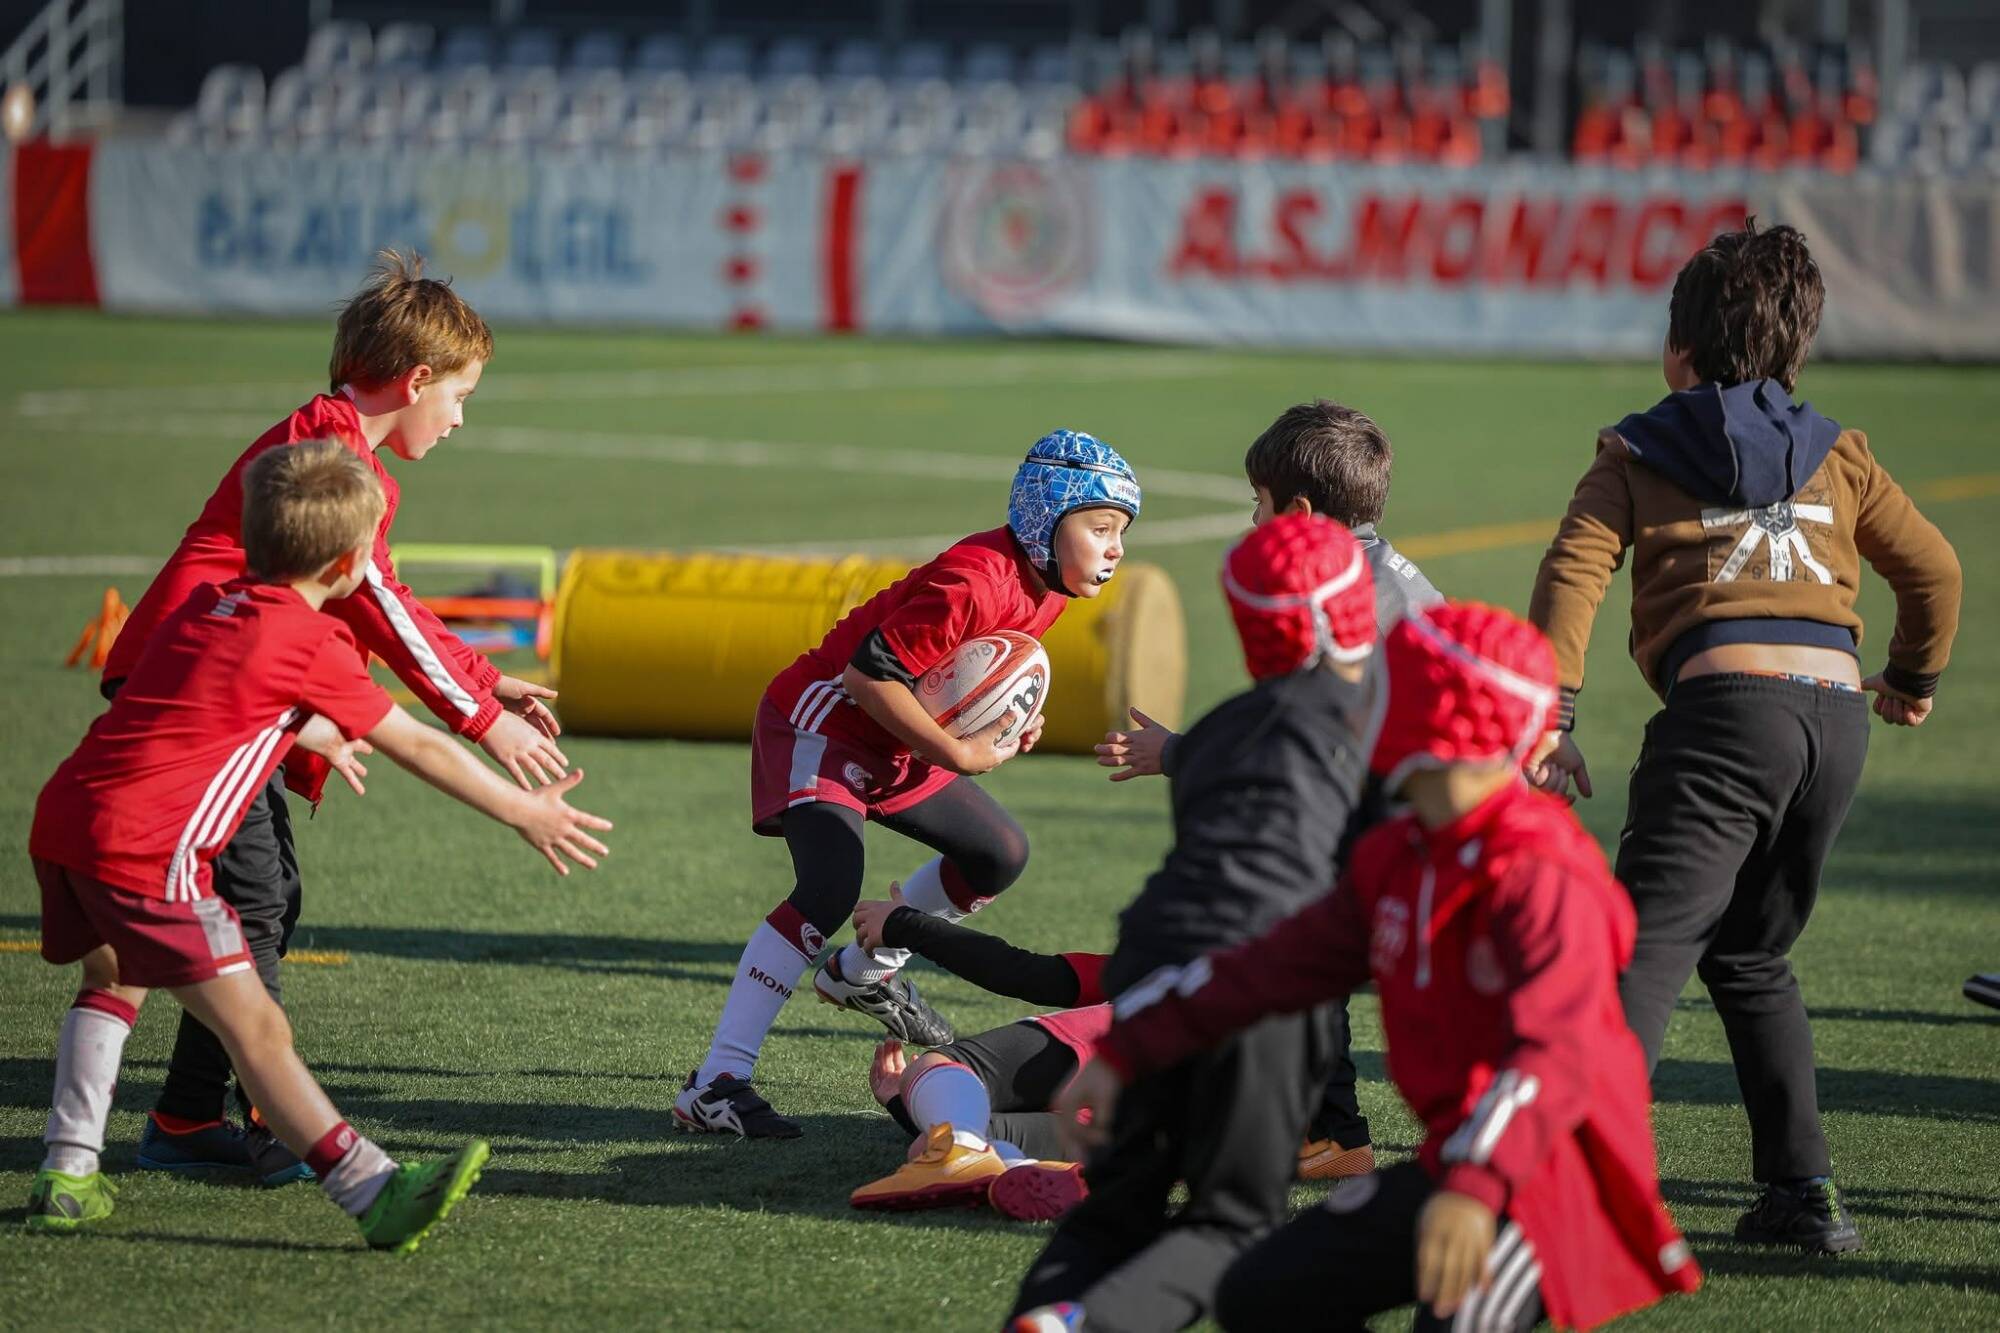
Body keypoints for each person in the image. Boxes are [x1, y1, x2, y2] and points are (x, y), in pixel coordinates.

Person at [1048, 604, 1702, 1333]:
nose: (1357, 700)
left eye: (1382, 685)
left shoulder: (1542, 873)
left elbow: (1555, 1053)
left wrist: (1477, 1185)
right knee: (1260, 1292)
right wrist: (1128, 1048)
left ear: (1436, 721)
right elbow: (1269, 967)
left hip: (1546, 1182)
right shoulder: (1401, 853)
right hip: (1457, 1162)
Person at [25, 443, 612, 1246]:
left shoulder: (210, 602)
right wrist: (524, 810)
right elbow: (420, 744)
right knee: (259, 1030)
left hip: (67, 818)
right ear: (348, 563)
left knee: (113, 977)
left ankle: (67, 1169)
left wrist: (301, 727)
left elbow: (193, 697)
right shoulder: (312, 642)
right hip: (147, 851)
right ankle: (375, 1191)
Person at [1526, 220, 1962, 1253]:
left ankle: (1582, 1184)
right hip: (1832, 722)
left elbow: (1573, 572)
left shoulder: (1635, 449)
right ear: (1796, 348)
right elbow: (1935, 571)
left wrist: (1548, 713)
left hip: (1724, 717)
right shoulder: (1840, 453)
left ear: (1678, 349)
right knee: (1752, 953)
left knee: (1640, 952)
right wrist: (1908, 678)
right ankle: (1801, 1194)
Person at [100, 250, 567, 1185]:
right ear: (417, 379)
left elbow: (384, 596)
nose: (460, 418)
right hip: (198, 694)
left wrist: (485, 679)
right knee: (253, 901)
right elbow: (380, 606)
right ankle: (262, 1116)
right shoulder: (334, 463)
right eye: (461, 396)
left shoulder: (334, 443)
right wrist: (484, 715)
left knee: (263, 896)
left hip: (226, 692)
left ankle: (189, 1115)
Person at [674, 431, 1142, 1139]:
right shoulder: (974, 581)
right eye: (1101, 528)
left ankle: (862, 969)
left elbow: (956, 681)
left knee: (997, 853)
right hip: (825, 722)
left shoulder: (1047, 588)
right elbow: (867, 677)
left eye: (1121, 533)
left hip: (895, 738)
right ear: (1045, 518)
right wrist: (958, 749)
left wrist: (1006, 718)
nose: (1115, 548)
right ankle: (716, 1083)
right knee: (829, 886)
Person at [1007, 513, 1379, 1333]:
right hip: (1257, 976)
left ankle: (1042, 1319)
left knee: (1115, 1209)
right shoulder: (1375, 722)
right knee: (1229, 1222)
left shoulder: (1219, 730)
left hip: (1149, 964)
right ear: (1357, 608)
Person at [1094, 399, 1438, 1181]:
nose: (1254, 520)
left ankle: (1333, 1132)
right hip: (1422, 820)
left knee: (1301, 948)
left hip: (1398, 825)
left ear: (1301, 515)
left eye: (1259, 503)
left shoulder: (1335, 597)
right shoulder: (1389, 576)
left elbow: (1298, 738)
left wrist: (1181, 753)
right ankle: (1346, 1132)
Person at [847, 886, 1110, 1221]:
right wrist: (908, 1103)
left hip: (1131, 1051)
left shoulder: (1165, 972)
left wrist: (905, 924)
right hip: (1136, 1133)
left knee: (937, 1066)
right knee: (929, 1144)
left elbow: (1024, 972)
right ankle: (1023, 1169)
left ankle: (978, 1151)